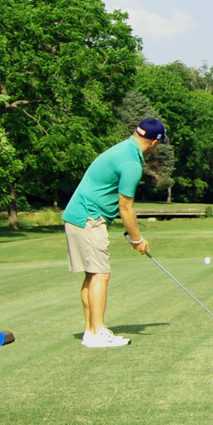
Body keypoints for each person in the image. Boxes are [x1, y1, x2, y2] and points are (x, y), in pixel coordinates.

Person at [62, 118, 166, 348]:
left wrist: (132, 234)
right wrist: (137, 239)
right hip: (89, 217)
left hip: (78, 215)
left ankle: (90, 331)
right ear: (153, 142)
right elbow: (125, 206)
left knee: (92, 274)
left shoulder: (122, 149)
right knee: (100, 274)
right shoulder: (131, 163)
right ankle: (97, 332)